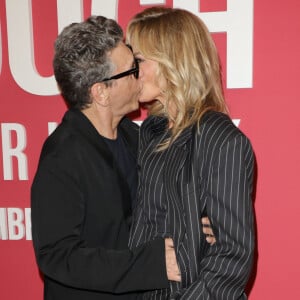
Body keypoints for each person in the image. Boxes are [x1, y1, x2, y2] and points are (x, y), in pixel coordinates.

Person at [31, 15, 181, 300]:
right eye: (131, 69)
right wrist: (152, 263)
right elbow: (59, 256)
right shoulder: (62, 157)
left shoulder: (134, 137)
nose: (140, 74)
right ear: (100, 92)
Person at [126, 7, 255, 299]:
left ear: (172, 60)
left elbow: (232, 254)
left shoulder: (219, 138)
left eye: (139, 60)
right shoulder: (152, 133)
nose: (132, 70)